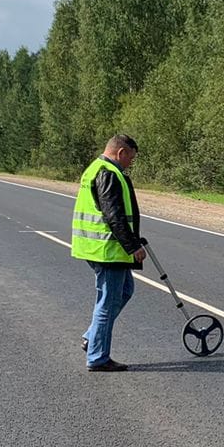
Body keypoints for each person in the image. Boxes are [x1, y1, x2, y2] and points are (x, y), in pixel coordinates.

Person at [71, 134, 146, 372]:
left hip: (98, 247)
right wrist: (133, 246)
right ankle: (97, 357)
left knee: (125, 290)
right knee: (108, 301)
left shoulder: (95, 168)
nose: (131, 163)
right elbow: (114, 215)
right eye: (130, 158)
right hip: (107, 250)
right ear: (121, 152)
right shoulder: (108, 173)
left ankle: (92, 337)